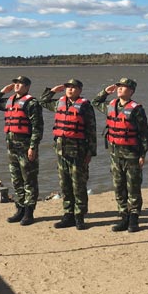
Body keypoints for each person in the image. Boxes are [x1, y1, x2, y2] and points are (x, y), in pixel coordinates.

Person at [92, 77, 148, 233]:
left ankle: (134, 219)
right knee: (119, 187)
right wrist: (105, 92)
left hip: (132, 154)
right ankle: (123, 216)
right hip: (115, 154)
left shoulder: (137, 109)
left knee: (133, 187)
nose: (119, 89)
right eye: (119, 87)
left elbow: (144, 134)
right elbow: (95, 102)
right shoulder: (111, 106)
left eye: (124, 87)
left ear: (131, 91)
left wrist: (142, 154)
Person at [39, 78, 97, 230]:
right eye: (68, 87)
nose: (70, 89)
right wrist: (53, 91)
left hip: (79, 151)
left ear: (80, 90)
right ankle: (68, 214)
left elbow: (92, 130)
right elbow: (43, 101)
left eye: (73, 87)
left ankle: (79, 216)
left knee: (78, 184)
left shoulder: (85, 106)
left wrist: (91, 152)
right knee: (65, 184)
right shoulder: (59, 103)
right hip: (61, 150)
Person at [0, 75, 43, 225]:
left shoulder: (32, 103)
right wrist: (2, 91)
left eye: (20, 84)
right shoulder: (10, 101)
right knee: (16, 179)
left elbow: (38, 128)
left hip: (25, 147)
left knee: (29, 180)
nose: (17, 86)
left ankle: (29, 212)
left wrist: (33, 147)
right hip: (12, 147)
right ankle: (20, 209)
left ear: (27, 87)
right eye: (15, 83)